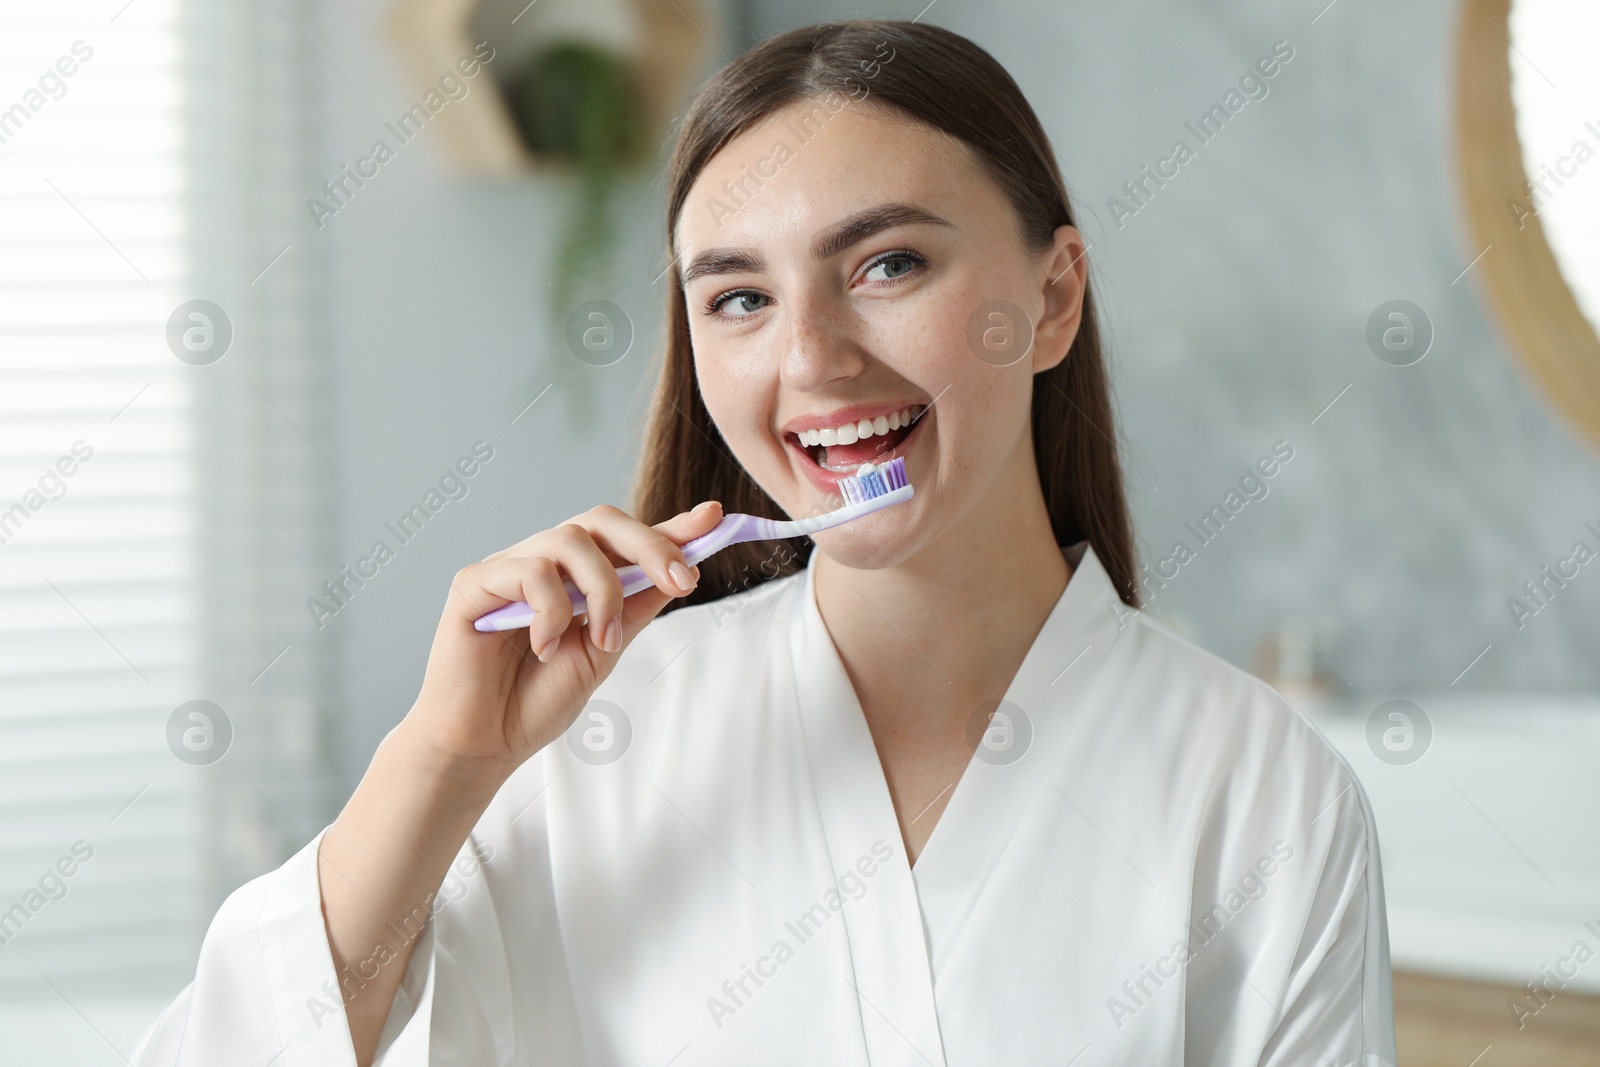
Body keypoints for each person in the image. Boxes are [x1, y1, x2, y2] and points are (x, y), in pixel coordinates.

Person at [132, 18, 1395, 1067]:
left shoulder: (1265, 797)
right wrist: (446, 759)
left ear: (1052, 296)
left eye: (889, 263)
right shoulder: (587, 749)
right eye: (739, 297)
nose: (811, 359)